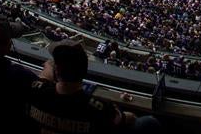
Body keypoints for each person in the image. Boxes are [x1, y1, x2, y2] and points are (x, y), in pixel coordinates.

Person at [25, 40, 161, 133]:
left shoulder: (37, 91)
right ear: (84, 72)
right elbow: (128, 119)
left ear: (56, 72)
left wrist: (51, 69)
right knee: (148, 122)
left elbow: (43, 78)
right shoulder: (99, 108)